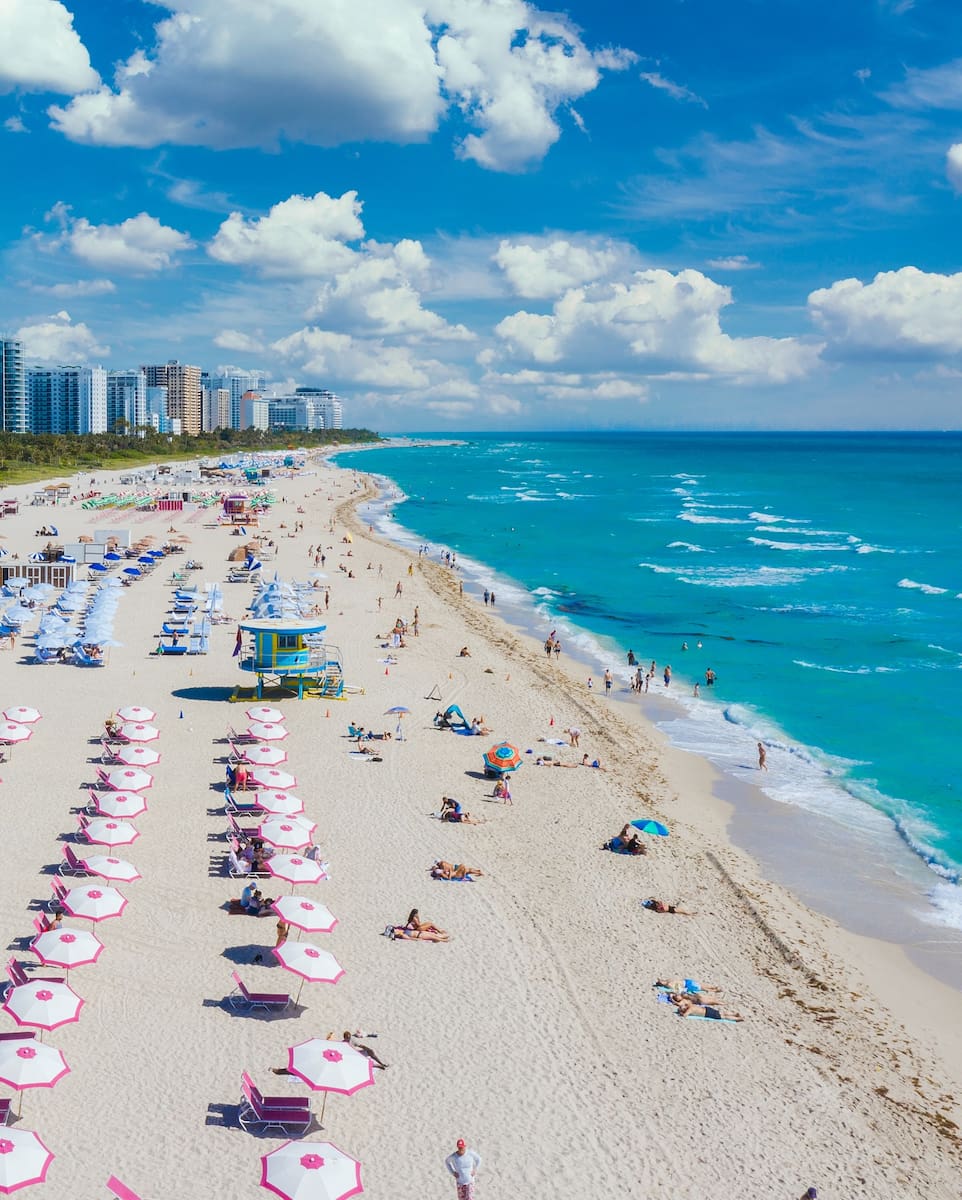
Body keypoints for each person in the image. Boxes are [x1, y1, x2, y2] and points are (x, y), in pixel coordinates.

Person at [672, 995, 743, 1021]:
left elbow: (685, 1015)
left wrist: (681, 1013)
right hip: (707, 1009)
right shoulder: (690, 1005)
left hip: (707, 1013)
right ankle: (734, 1014)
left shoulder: (690, 1009)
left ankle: (738, 1018)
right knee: (722, 1012)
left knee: (723, 1016)